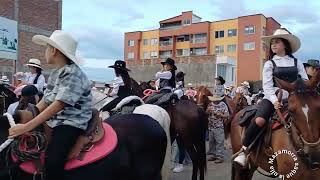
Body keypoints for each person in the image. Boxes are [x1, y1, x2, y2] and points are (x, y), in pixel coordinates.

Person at [8, 30, 92, 180]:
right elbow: (46, 100)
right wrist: (29, 114)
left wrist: (26, 127)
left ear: (53, 50)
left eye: (47, 48)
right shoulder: (55, 73)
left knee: (53, 160)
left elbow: (59, 104)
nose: (45, 51)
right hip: (55, 120)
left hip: (71, 122)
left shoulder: (73, 73)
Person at [234, 28, 308, 167]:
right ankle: (244, 151)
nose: (273, 45)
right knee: (260, 120)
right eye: (272, 42)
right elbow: (267, 86)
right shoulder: (269, 63)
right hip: (272, 97)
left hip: (294, 98)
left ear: (285, 45)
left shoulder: (297, 62)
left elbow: (304, 80)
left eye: (277, 42)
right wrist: (274, 101)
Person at [206, 94, 229, 163]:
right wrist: (208, 111)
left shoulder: (223, 105)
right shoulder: (210, 104)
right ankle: (213, 155)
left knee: (219, 142)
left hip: (218, 126)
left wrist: (221, 115)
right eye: (214, 100)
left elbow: (227, 115)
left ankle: (220, 156)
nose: (215, 101)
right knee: (211, 142)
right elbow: (206, 112)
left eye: (216, 100)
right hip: (210, 126)